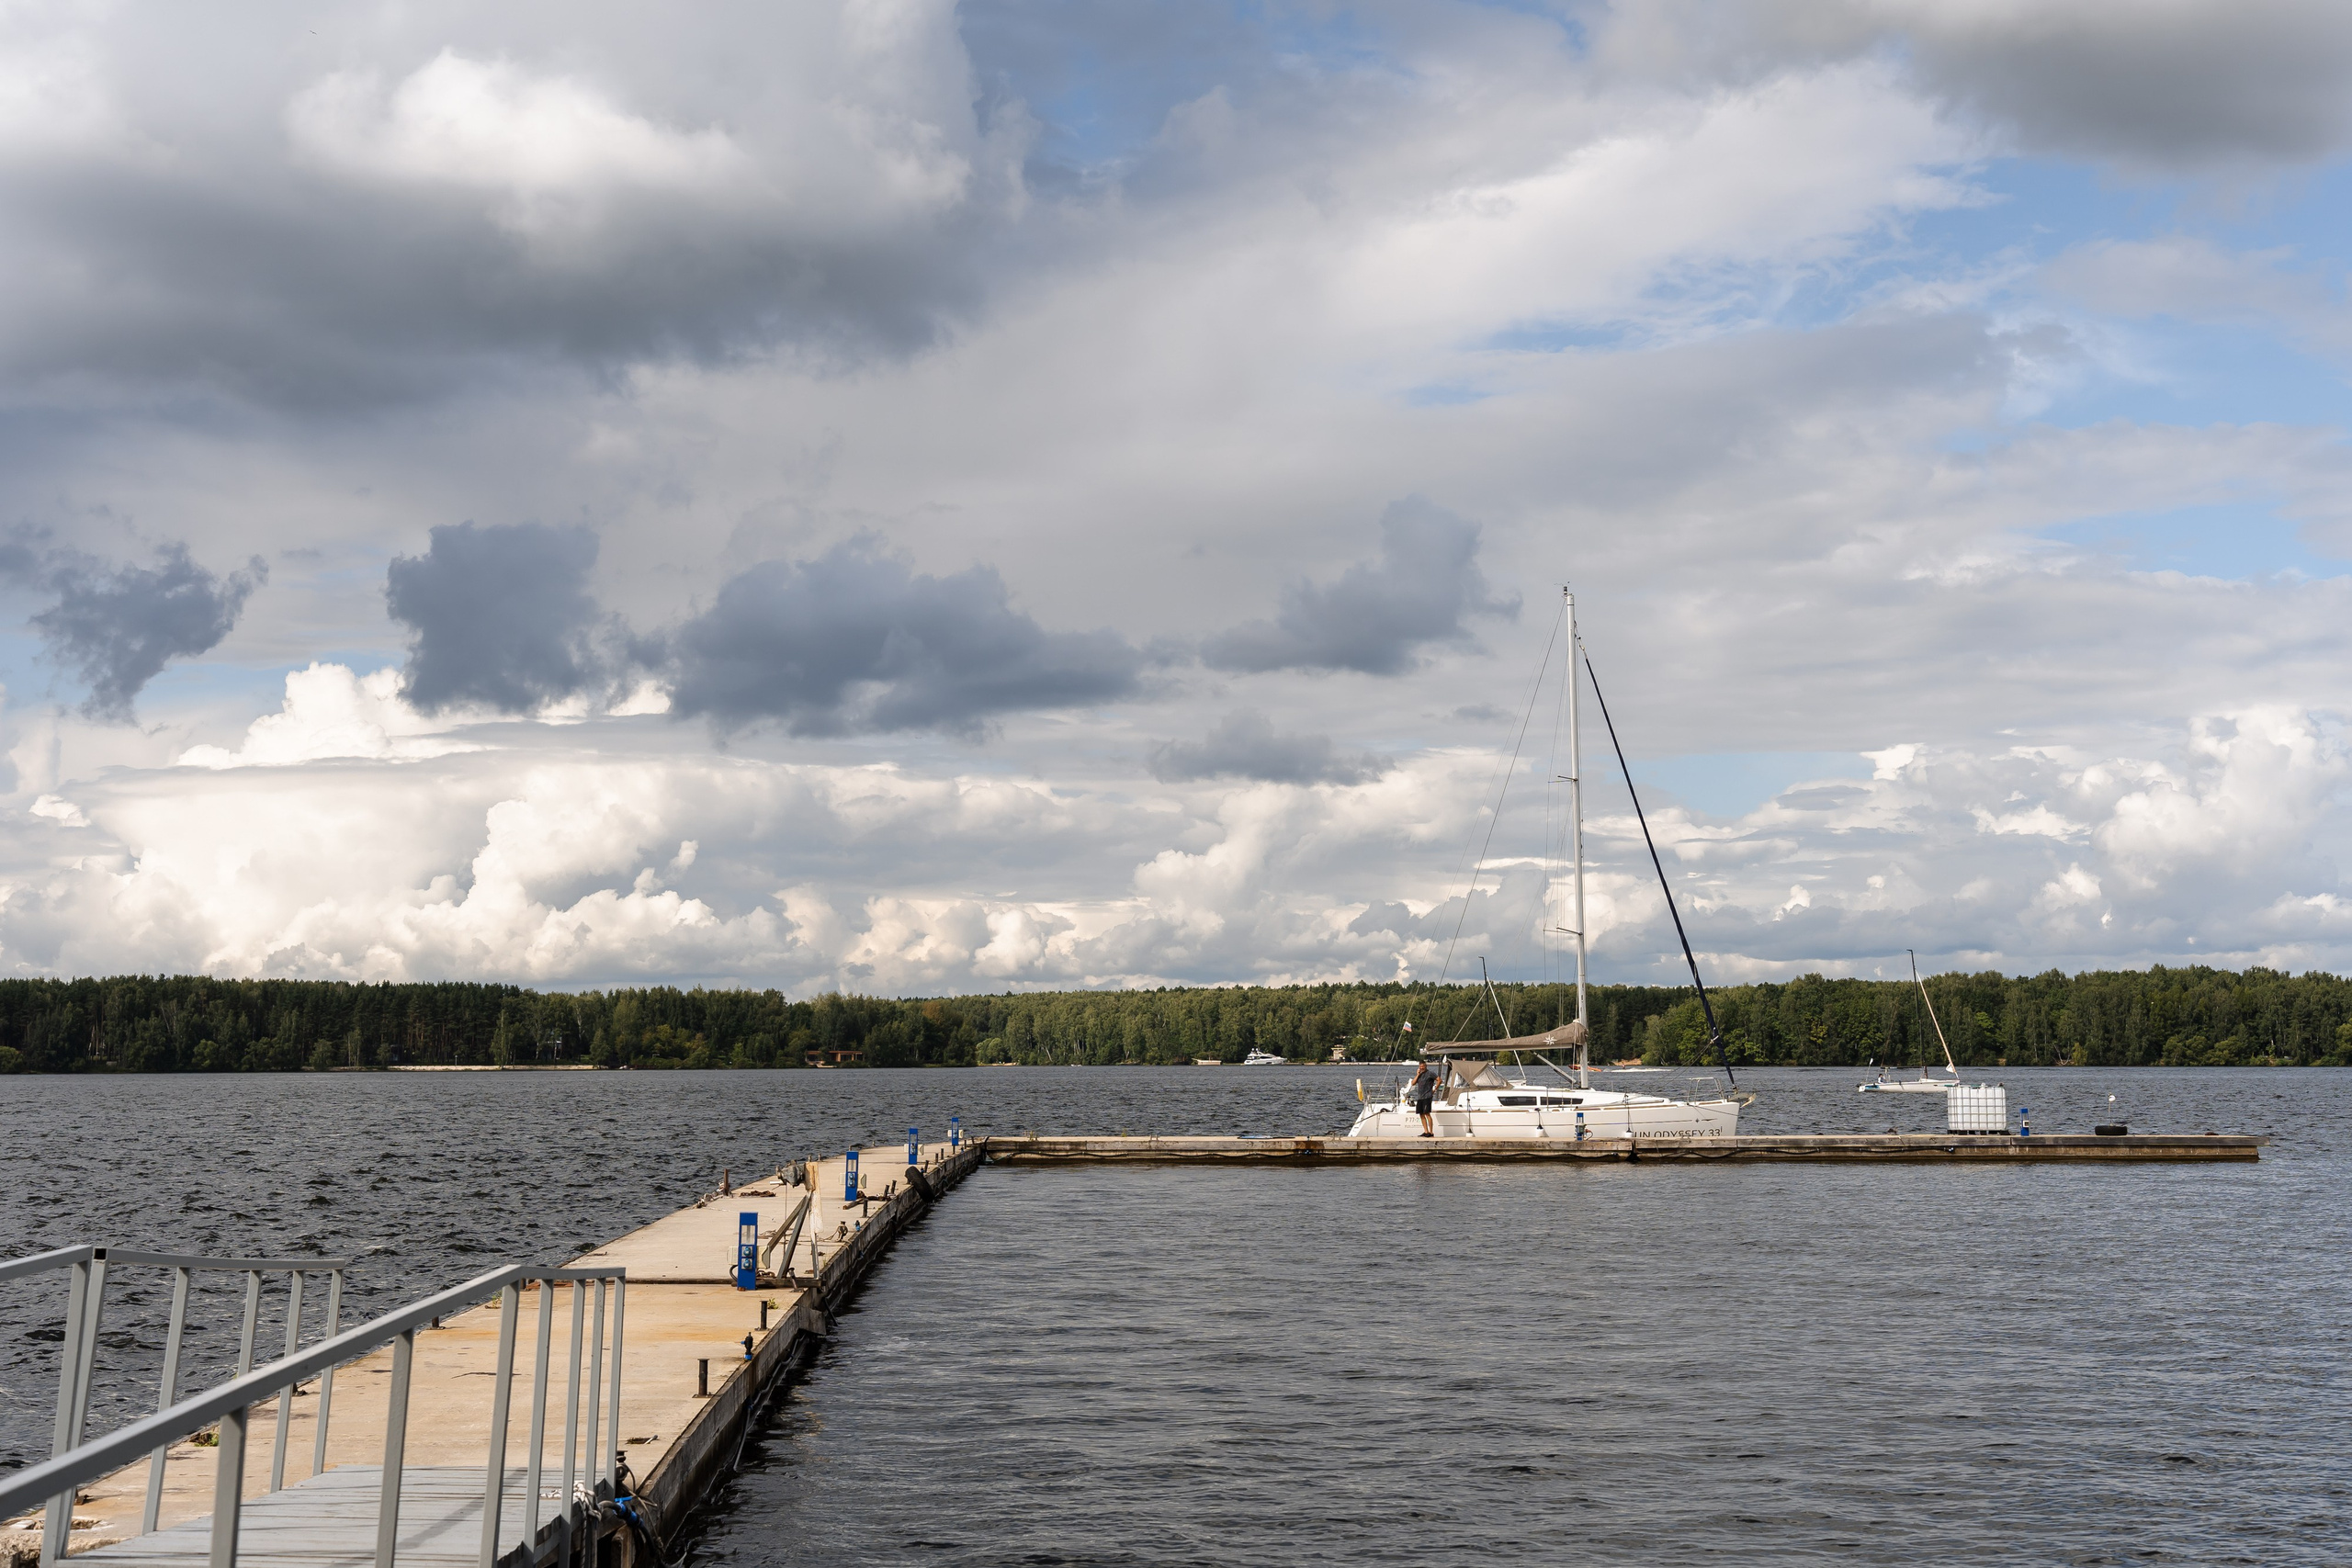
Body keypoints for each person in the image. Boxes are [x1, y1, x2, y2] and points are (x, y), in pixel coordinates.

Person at [1408, 1058, 1440, 1137]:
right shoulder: (1420, 1074)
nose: (1422, 1067)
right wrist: (1418, 1074)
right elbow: (1413, 1083)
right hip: (1420, 1097)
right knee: (1421, 1114)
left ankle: (1431, 1132)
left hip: (1427, 1096)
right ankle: (1425, 1131)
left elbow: (1439, 1080)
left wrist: (1434, 1089)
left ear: (1426, 1066)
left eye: (1423, 1066)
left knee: (1427, 1114)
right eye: (1420, 1066)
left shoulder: (1430, 1073)